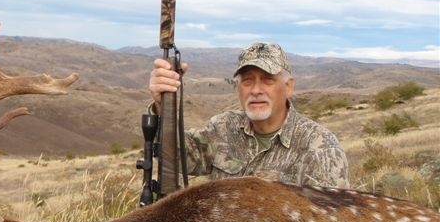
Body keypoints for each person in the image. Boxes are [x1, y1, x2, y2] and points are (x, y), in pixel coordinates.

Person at [148, 42, 350, 188]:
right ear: (238, 88)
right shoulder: (223, 128)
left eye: (267, 80)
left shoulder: (321, 148)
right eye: (247, 81)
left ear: (288, 87)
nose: (256, 90)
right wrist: (163, 105)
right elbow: (177, 156)